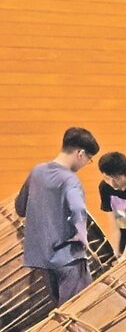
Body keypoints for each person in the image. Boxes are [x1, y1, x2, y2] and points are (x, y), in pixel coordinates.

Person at [14, 127, 99, 306]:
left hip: (44, 260)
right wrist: (82, 235)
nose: (86, 163)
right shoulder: (70, 179)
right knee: (78, 311)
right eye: (88, 159)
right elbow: (77, 208)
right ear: (80, 153)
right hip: (69, 258)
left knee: (61, 316)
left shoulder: (37, 171)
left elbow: (20, 208)